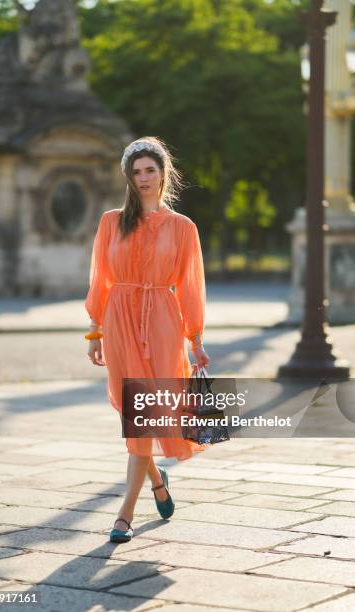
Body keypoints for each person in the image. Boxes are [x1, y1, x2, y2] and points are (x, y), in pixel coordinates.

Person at [85, 136, 210, 543]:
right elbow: (100, 280)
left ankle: (124, 516)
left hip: (162, 323)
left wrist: (196, 339)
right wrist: (95, 331)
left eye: (150, 170)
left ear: (163, 172)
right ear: (129, 176)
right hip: (119, 322)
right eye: (136, 172)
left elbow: (191, 286)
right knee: (136, 416)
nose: (143, 178)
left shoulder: (183, 228)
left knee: (144, 416)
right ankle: (157, 480)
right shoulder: (110, 222)